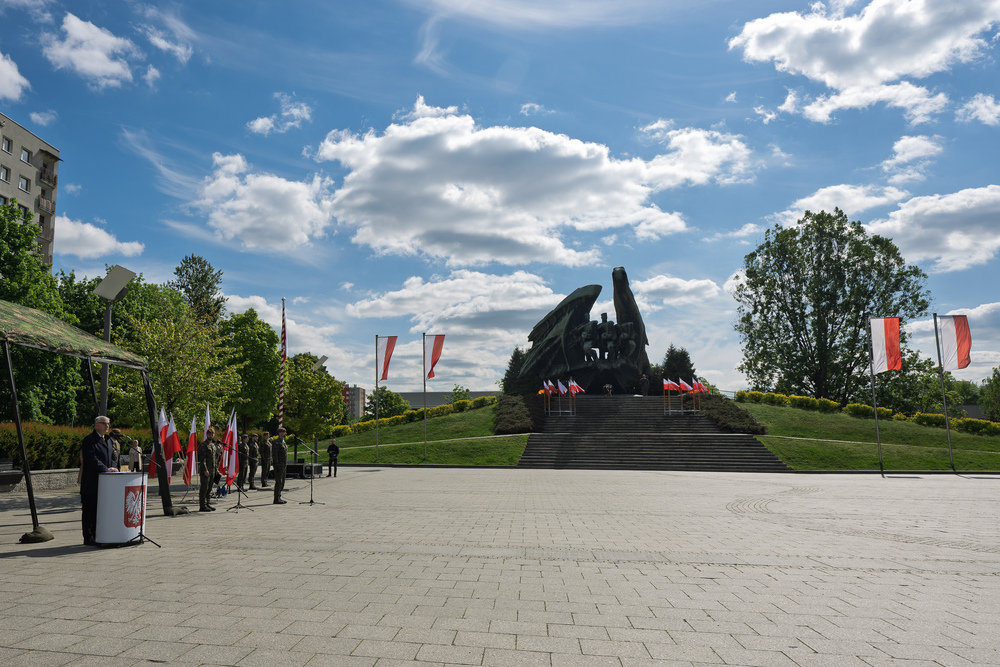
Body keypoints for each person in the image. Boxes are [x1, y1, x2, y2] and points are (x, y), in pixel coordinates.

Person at [80, 416, 119, 545]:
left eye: (108, 424)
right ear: (96, 425)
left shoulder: (107, 440)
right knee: (89, 511)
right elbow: (91, 459)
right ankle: (89, 537)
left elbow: (113, 456)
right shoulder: (89, 440)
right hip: (92, 482)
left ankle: (99, 535)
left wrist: (113, 467)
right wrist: (106, 469)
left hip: (105, 484)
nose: (107, 426)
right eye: (104, 424)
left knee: (100, 511)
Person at [198, 428, 217, 512]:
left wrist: (216, 469)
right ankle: (202, 505)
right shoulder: (203, 445)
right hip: (205, 471)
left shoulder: (213, 445)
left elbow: (214, 459)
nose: (211, 435)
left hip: (212, 470)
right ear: (207, 435)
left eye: (212, 434)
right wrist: (205, 470)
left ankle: (207, 503)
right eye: (209, 434)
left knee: (209, 488)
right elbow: (202, 460)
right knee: (204, 488)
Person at [271, 427, 288, 504]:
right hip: (279, 465)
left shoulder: (283, 442)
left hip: (283, 465)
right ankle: (276, 498)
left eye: (284, 432)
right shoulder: (276, 442)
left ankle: (279, 496)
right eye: (282, 432)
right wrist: (276, 465)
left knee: (282, 482)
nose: (284, 434)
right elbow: (275, 455)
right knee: (279, 481)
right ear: (279, 433)